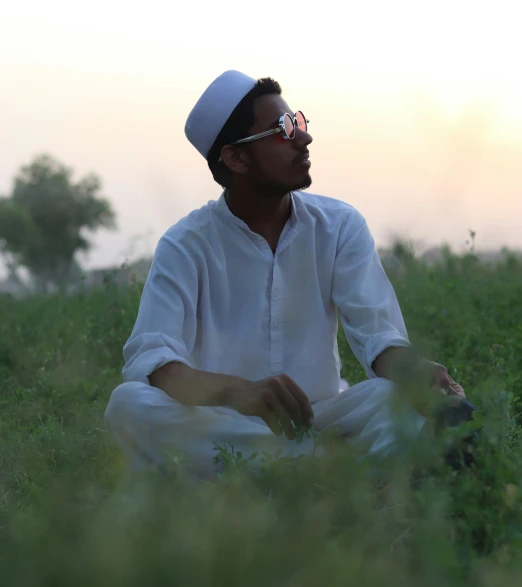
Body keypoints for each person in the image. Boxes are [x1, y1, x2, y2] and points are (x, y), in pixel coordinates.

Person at [105, 70, 465, 478]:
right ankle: (327, 473)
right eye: (282, 129)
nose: (303, 138)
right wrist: (241, 393)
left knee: (390, 397)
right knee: (129, 403)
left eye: (297, 122)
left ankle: (280, 476)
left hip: (327, 417)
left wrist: (417, 374)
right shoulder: (185, 245)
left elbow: (379, 339)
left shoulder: (339, 226)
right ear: (236, 158)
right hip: (229, 425)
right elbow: (156, 360)